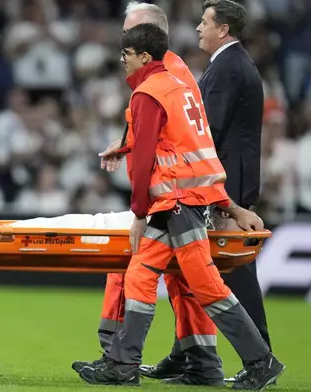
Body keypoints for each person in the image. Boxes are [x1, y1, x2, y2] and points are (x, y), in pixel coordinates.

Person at [75, 23, 283, 390]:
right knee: (140, 275)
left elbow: (142, 163)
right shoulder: (181, 88)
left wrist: (139, 214)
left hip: (174, 204)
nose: (122, 60)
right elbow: (199, 155)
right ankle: (123, 363)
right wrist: (227, 205)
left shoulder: (148, 93)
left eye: (126, 54)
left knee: (206, 285)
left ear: (144, 57)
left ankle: (261, 361)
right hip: (184, 200)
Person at [142, 0, 273, 384]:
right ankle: (190, 354)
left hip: (219, 184)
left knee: (227, 272)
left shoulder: (228, 68)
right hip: (225, 179)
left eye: (204, 22)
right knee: (191, 268)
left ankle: (259, 356)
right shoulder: (231, 64)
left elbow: (205, 132)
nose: (197, 28)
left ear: (224, 30)